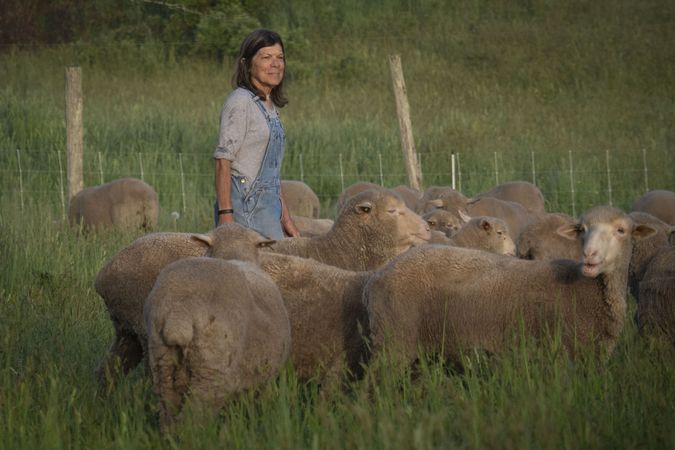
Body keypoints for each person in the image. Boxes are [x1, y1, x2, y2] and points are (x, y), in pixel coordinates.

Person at [213, 29, 300, 239]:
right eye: (266, 57)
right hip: (245, 208)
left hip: (268, 209)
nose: (275, 64)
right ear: (247, 64)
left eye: (280, 58)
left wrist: (285, 219)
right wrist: (226, 216)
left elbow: (272, 174)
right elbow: (223, 160)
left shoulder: (269, 106)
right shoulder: (240, 102)